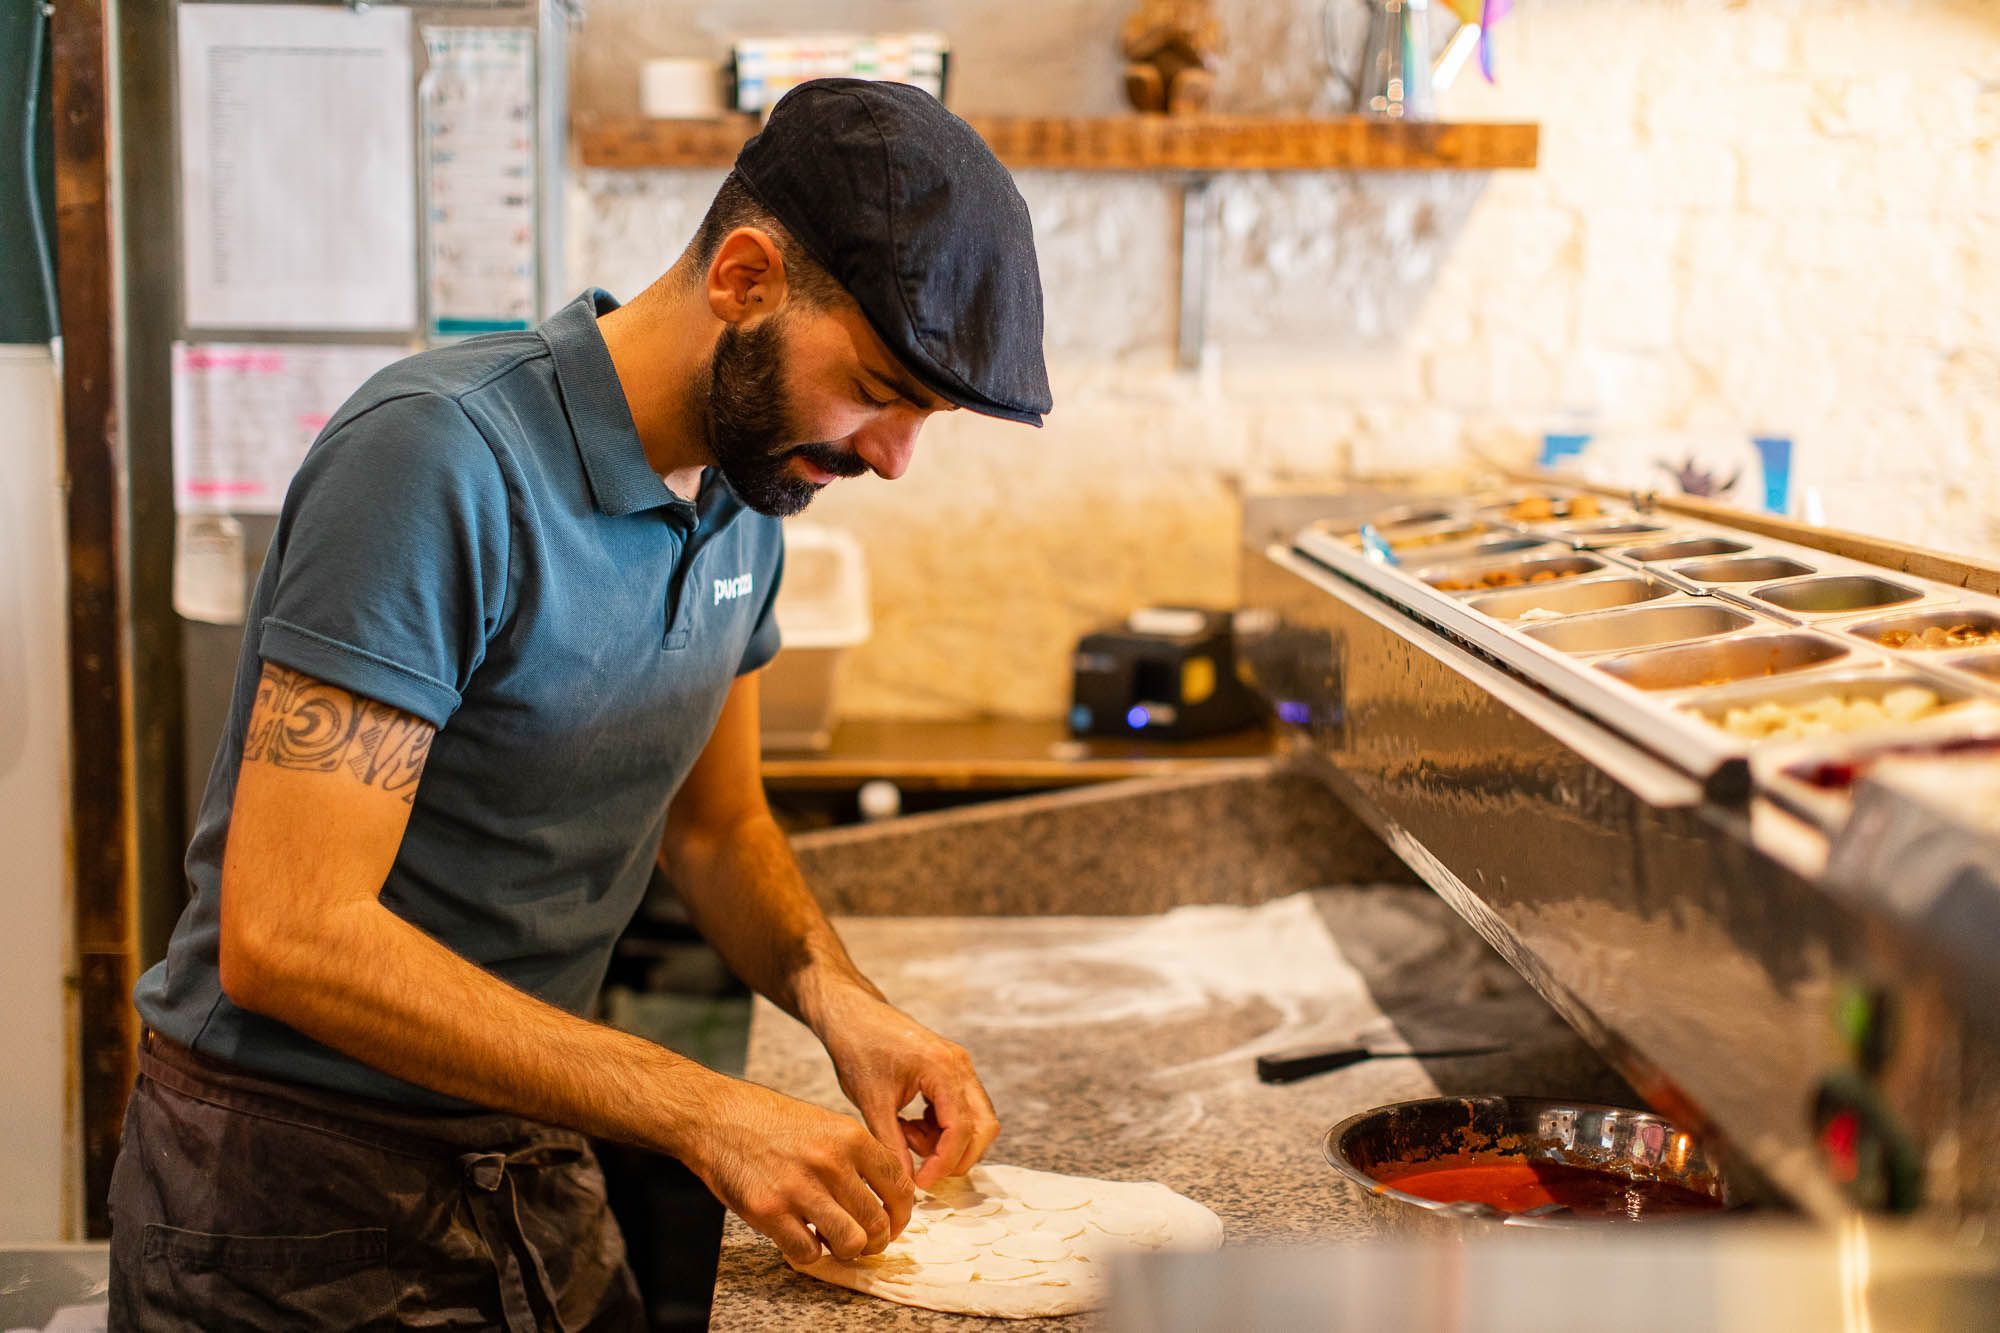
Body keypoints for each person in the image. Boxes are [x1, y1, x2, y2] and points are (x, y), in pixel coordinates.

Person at [109, 79, 1052, 1330]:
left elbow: (715, 831)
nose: (891, 456)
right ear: (746, 279)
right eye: (877, 387)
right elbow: (289, 934)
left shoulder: (747, 488)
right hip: (288, 1186)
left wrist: (843, 1002)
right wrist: (708, 1107)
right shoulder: (437, 458)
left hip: (533, 1132)